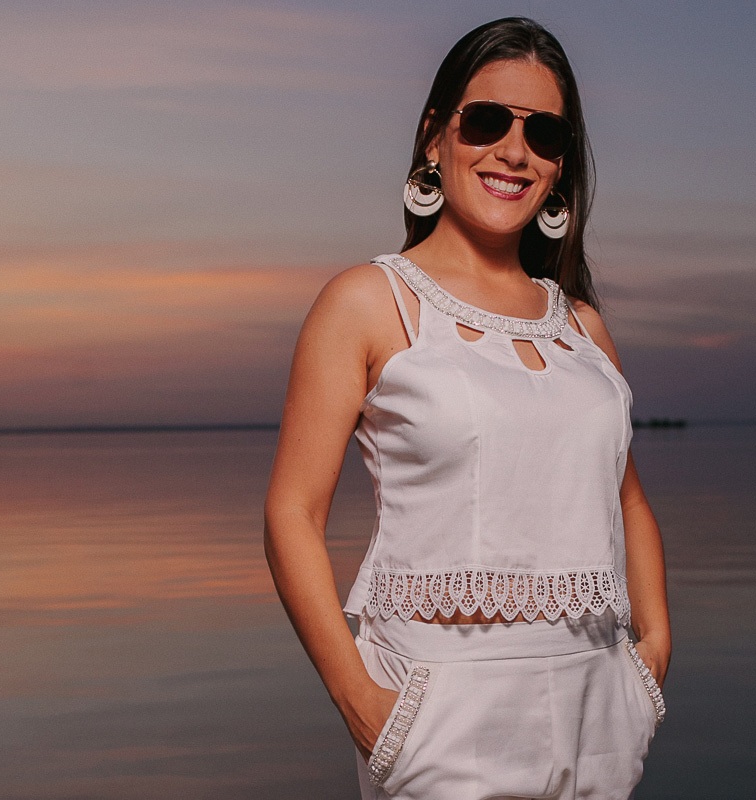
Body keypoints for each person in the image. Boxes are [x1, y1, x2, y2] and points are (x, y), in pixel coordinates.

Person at [263, 16, 671, 800]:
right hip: (442, 718)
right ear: (434, 136)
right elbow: (291, 513)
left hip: (602, 711)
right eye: (487, 121)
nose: (514, 152)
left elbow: (628, 499)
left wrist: (651, 654)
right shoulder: (368, 301)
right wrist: (364, 706)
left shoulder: (582, 325)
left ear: (560, 165)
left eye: (543, 133)